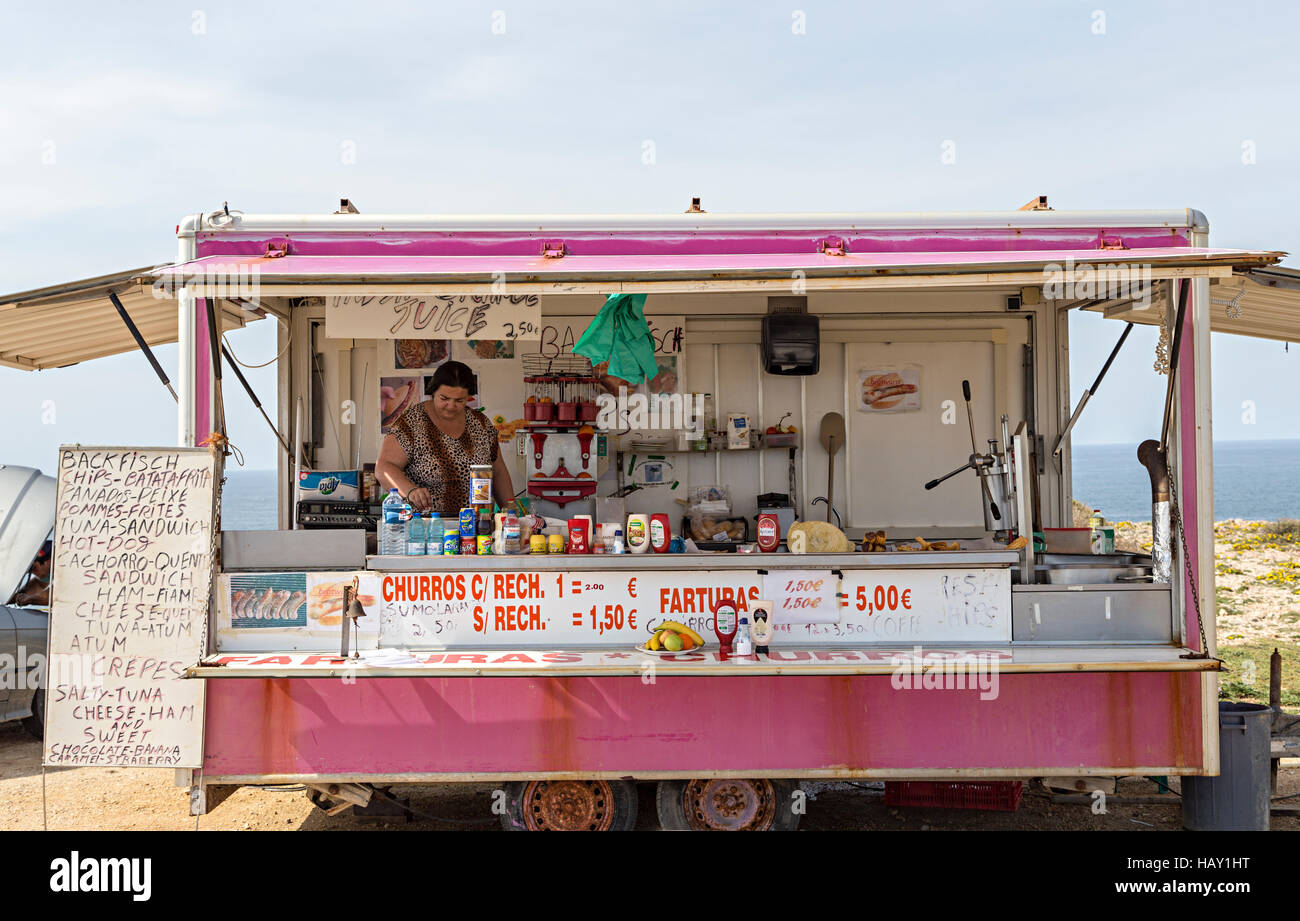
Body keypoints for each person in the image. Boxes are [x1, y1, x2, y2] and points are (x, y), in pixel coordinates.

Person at [376, 360, 517, 515]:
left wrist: (511, 513)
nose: (451, 406)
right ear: (433, 391)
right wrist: (410, 491)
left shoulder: (481, 424)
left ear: (469, 397)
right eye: (444, 398)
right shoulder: (411, 424)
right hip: (427, 528)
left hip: (477, 527)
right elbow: (384, 467)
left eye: (459, 400)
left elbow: (498, 471)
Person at [9, 540, 52, 606]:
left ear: (48, 561)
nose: (34, 573)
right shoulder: (48, 570)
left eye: (34, 568)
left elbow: (59, 595)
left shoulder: (66, 566)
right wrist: (13, 598)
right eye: (29, 571)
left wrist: (30, 599)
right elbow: (39, 584)